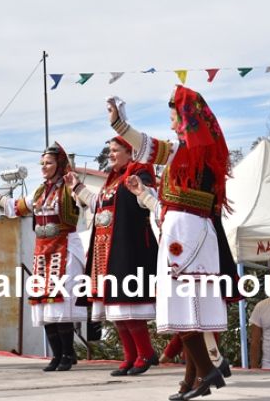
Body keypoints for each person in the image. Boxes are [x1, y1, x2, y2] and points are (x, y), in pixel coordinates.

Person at [110, 85, 241, 401]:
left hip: (184, 235)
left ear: (184, 119)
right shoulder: (196, 154)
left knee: (182, 309)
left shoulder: (190, 151)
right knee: (191, 310)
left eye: (172, 117)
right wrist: (145, 195)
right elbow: (174, 202)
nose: (170, 125)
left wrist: (120, 125)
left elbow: (148, 148)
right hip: (188, 230)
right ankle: (194, 379)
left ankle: (206, 371)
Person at [0, 142, 87, 372]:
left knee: (61, 302)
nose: (44, 167)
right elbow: (16, 206)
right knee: (43, 302)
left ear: (59, 164)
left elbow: (85, 203)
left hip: (65, 247)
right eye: (42, 163)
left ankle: (68, 354)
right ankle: (57, 354)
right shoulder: (40, 190)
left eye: (48, 163)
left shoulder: (69, 187)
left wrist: (76, 186)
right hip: (42, 251)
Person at [64, 137, 159, 376]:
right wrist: (76, 187)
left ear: (131, 152)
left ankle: (145, 352)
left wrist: (141, 188)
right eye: (110, 151)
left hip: (129, 248)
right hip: (105, 249)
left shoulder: (140, 173)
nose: (111, 155)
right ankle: (130, 356)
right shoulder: (111, 181)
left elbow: (148, 198)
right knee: (114, 309)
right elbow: (98, 204)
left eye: (115, 150)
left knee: (128, 305)